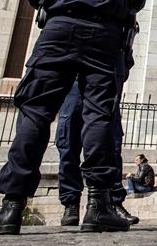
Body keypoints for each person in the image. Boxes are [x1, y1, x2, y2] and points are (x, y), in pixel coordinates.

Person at [0, 0, 152, 236]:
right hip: (106, 34)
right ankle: (99, 206)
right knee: (99, 115)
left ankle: (11, 207)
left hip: (58, 29)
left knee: (35, 113)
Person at [55, 82, 136, 227]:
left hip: (103, 83)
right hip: (73, 82)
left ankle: (113, 202)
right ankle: (71, 204)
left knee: (110, 146)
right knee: (68, 145)